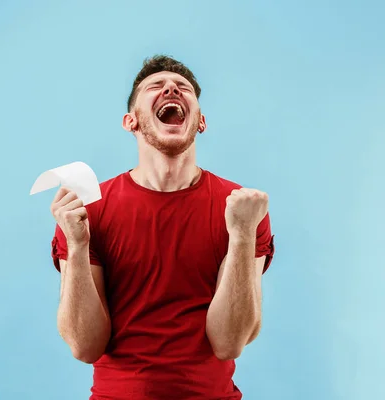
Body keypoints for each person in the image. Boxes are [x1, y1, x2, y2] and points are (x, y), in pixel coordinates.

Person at [49, 55, 276, 400]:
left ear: (200, 122)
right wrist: (77, 246)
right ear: (131, 122)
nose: (171, 88)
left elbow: (229, 342)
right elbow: (84, 347)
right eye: (156, 86)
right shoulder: (87, 209)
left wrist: (242, 236)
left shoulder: (243, 208)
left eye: (182, 87)